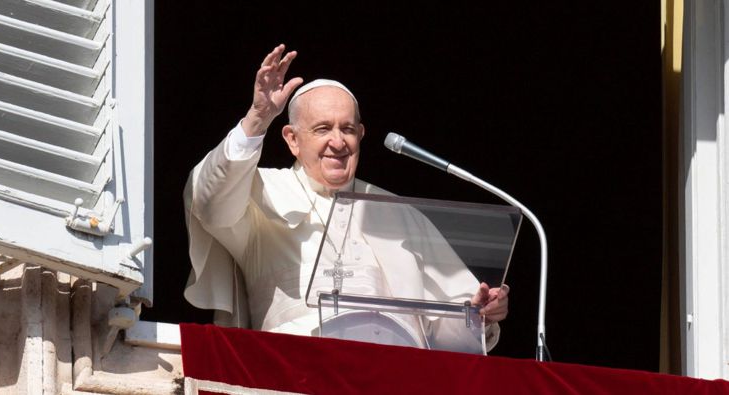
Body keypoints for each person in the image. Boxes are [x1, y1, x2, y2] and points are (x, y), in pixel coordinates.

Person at [184, 44, 509, 351]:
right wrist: (256, 119)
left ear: (361, 134)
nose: (338, 142)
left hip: (396, 374)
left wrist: (476, 315)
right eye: (323, 129)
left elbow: (441, 332)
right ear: (292, 139)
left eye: (348, 129)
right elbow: (208, 203)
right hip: (295, 368)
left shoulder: (400, 213)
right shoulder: (259, 191)